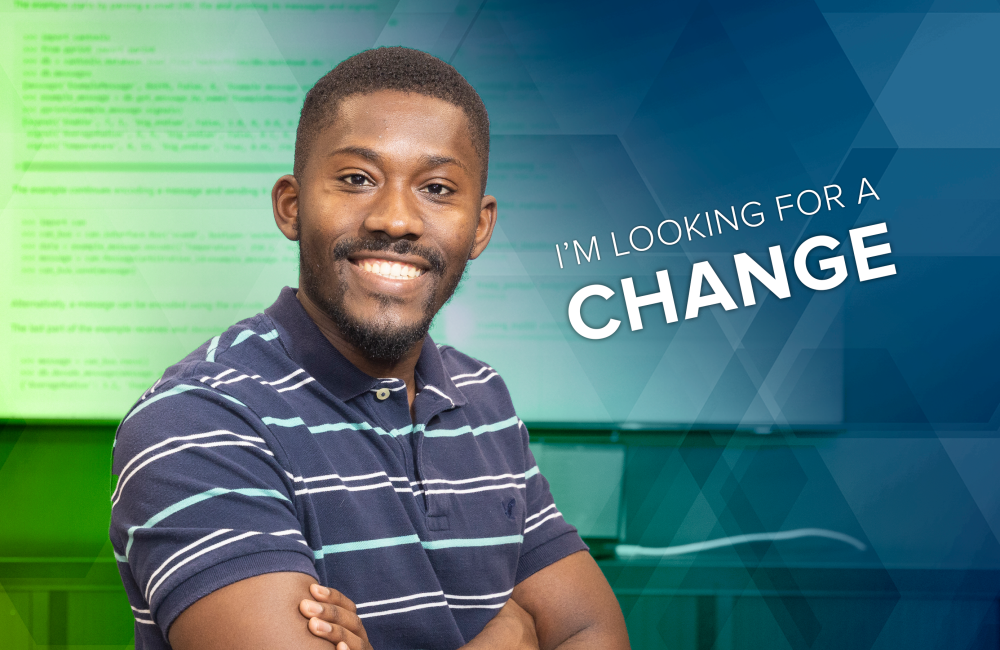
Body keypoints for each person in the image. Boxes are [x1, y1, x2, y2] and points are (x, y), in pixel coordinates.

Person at [109, 46, 630, 650]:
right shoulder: (198, 420)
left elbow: (594, 631)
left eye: (437, 188)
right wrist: (508, 637)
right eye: (358, 179)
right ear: (292, 206)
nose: (396, 219)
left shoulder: (482, 397)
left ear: (479, 226)